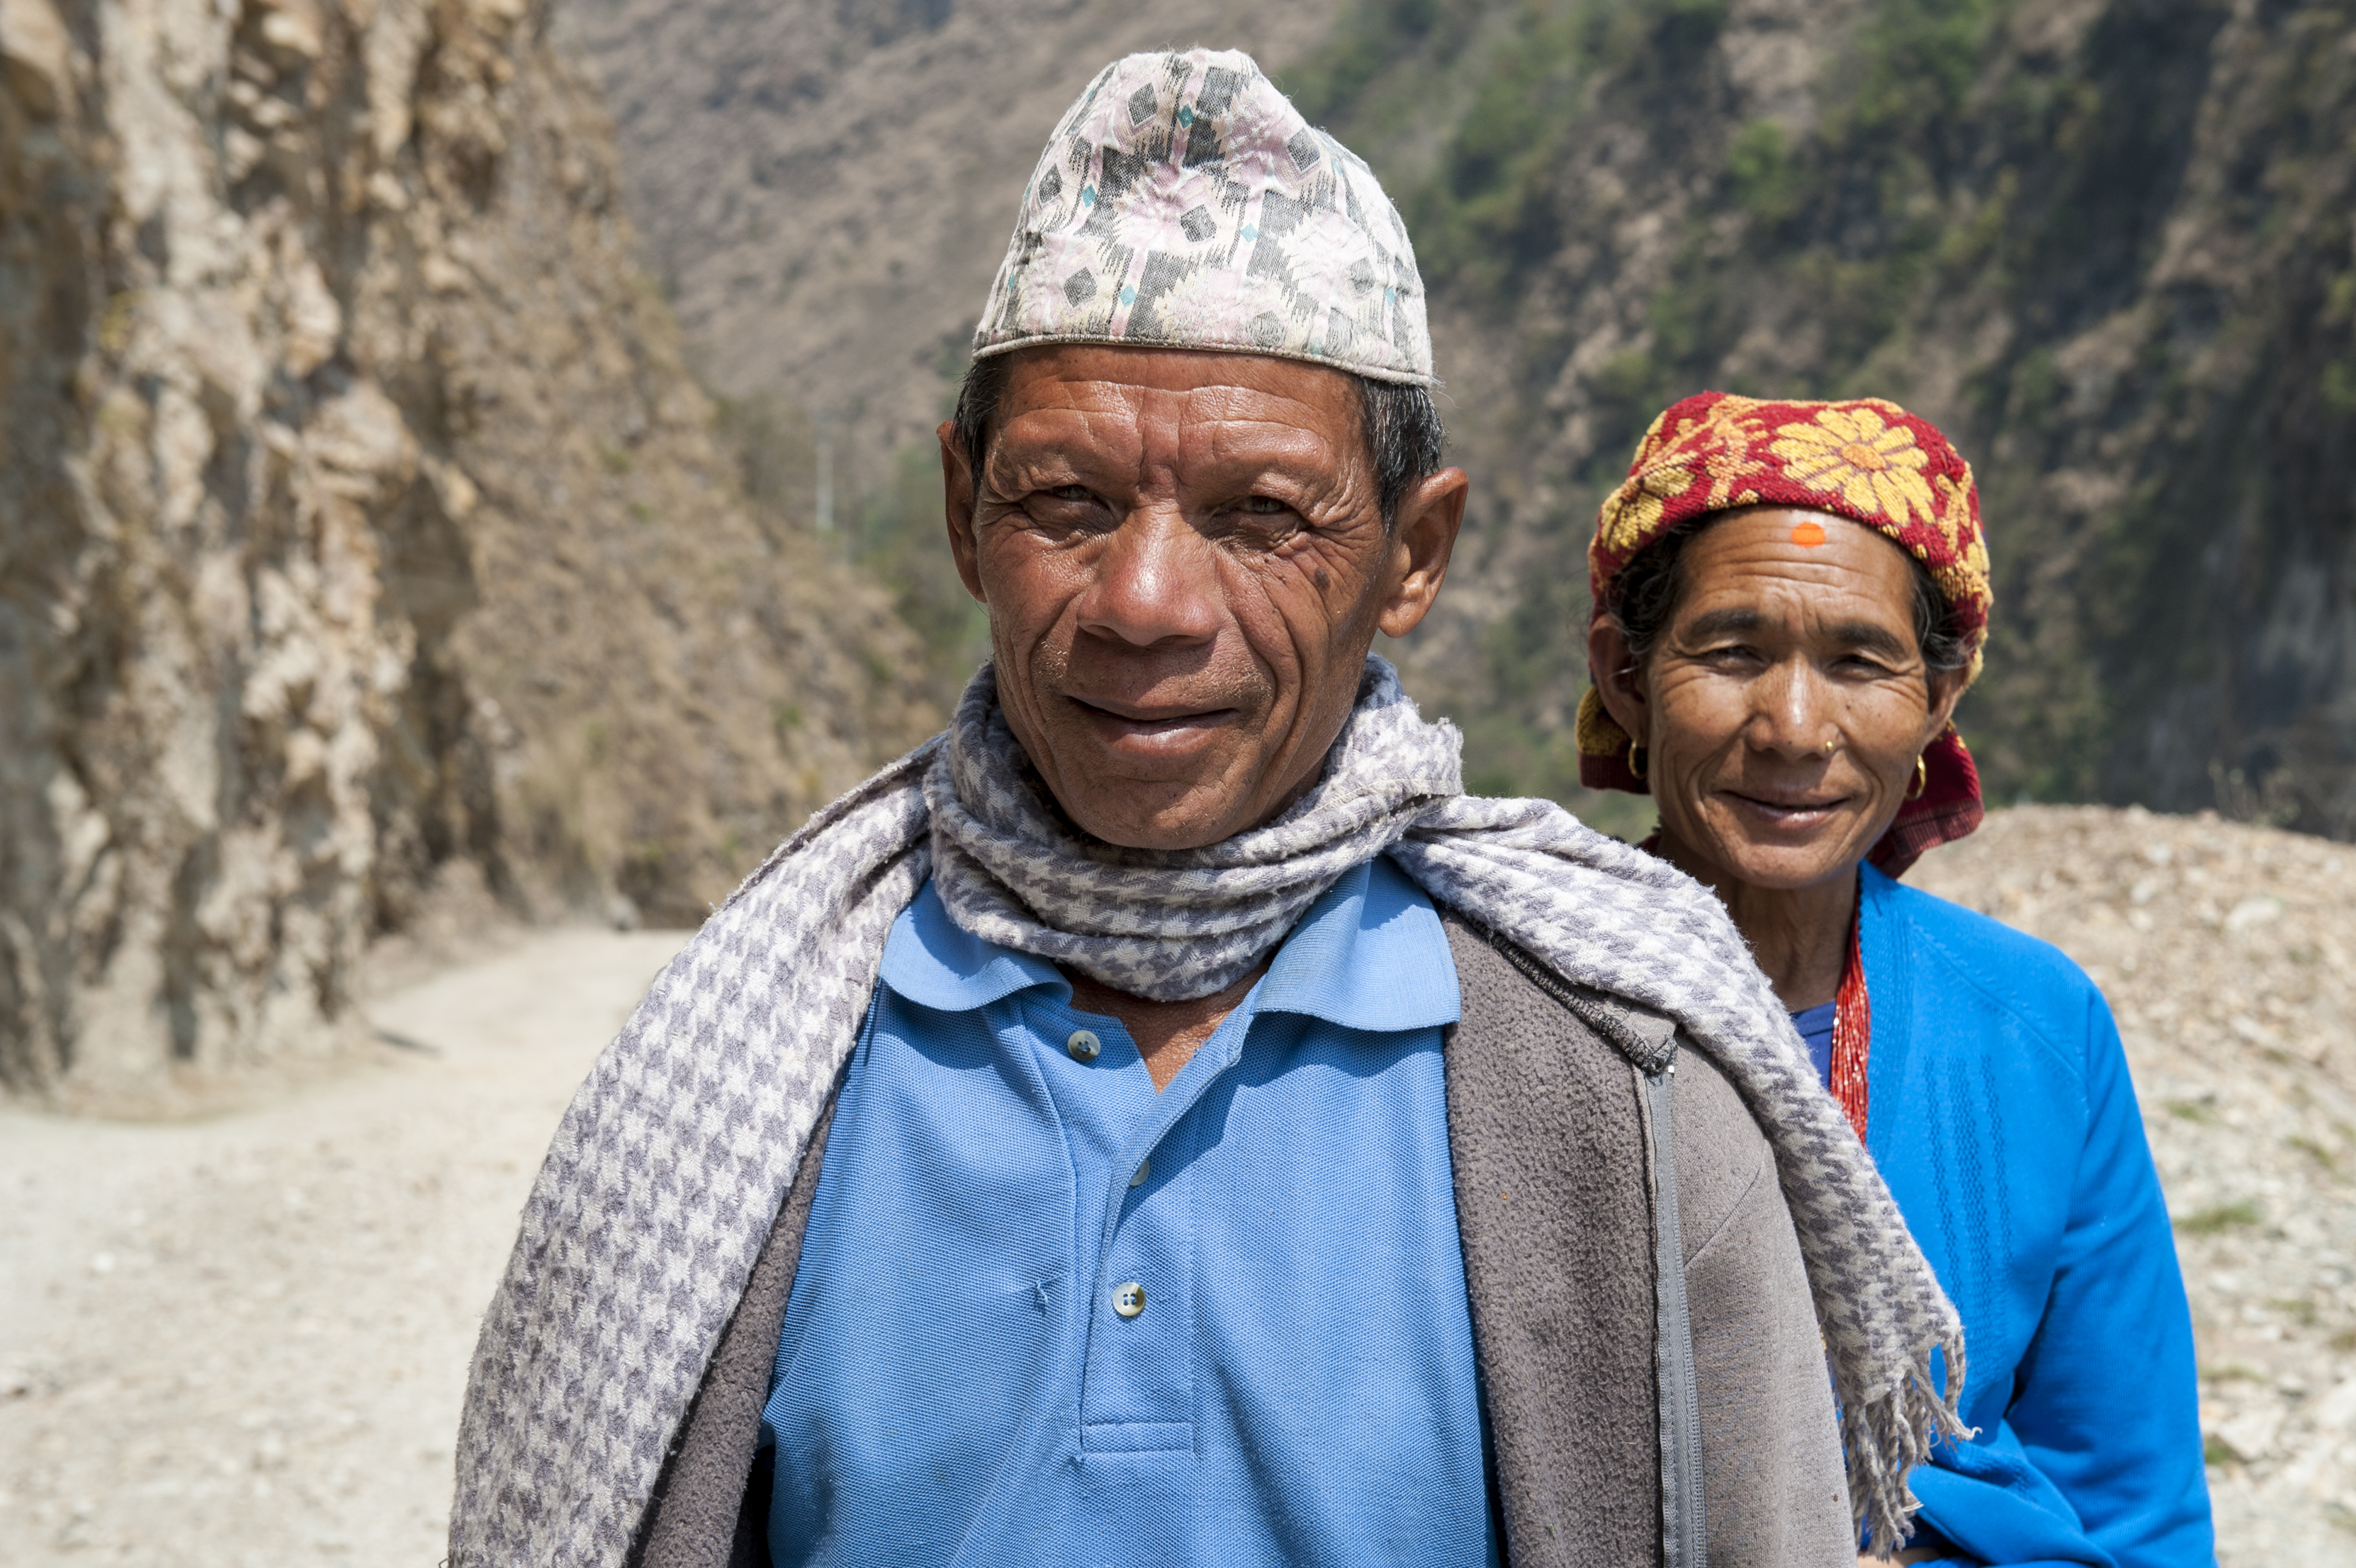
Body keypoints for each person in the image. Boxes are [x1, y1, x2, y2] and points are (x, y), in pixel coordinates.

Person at [449, 54, 1968, 1568]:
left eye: (1261, 517)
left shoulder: (1614, 1075)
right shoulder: (758, 1061)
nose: (1148, 602)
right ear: (964, 515)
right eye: (1067, 502)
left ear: (1414, 555)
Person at [1577, 392, 2216, 1567]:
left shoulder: (2034, 1028)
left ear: (1939, 697)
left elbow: (2136, 1515)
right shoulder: (1513, 998)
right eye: (1733, 652)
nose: (1793, 726)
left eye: (1860, 661)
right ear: (1626, 674)